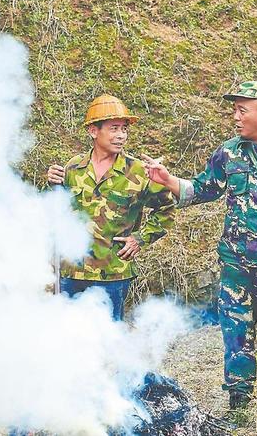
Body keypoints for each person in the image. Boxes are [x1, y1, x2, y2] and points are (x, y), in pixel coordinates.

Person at [142, 81, 257, 423]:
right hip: (235, 262)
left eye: (242, 110)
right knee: (236, 332)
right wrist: (167, 179)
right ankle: (238, 402)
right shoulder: (229, 152)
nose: (235, 116)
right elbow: (203, 189)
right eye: (235, 109)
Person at [47, 94, 175, 321]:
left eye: (124, 129)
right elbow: (56, 211)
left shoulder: (138, 171)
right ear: (93, 131)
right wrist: (51, 185)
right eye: (114, 128)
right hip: (72, 272)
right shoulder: (73, 168)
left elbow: (166, 209)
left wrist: (140, 238)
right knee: (67, 338)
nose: (121, 136)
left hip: (113, 273)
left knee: (109, 341)